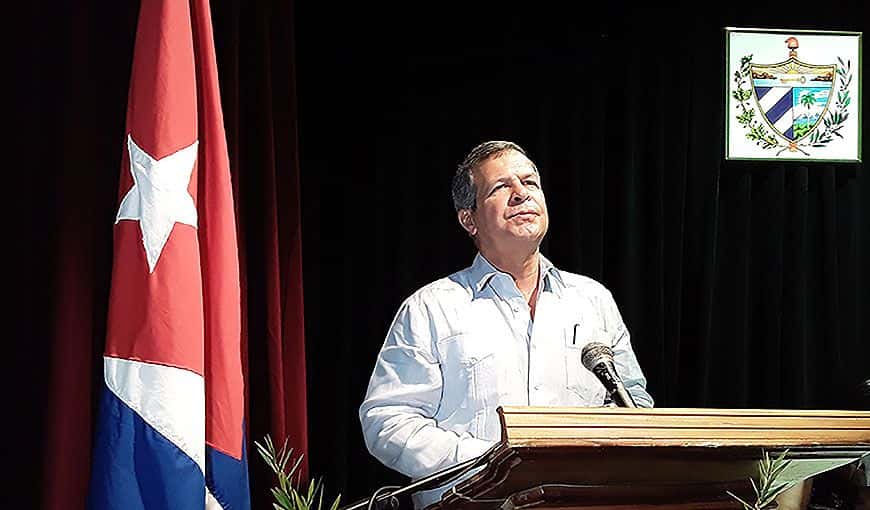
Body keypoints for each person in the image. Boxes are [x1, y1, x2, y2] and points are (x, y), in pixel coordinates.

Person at [359, 140, 654, 509]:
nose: (521, 194)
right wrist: (493, 464)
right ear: (469, 218)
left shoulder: (592, 300)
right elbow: (387, 421)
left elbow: (634, 404)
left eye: (530, 183)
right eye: (501, 187)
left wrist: (588, 460)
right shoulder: (431, 308)